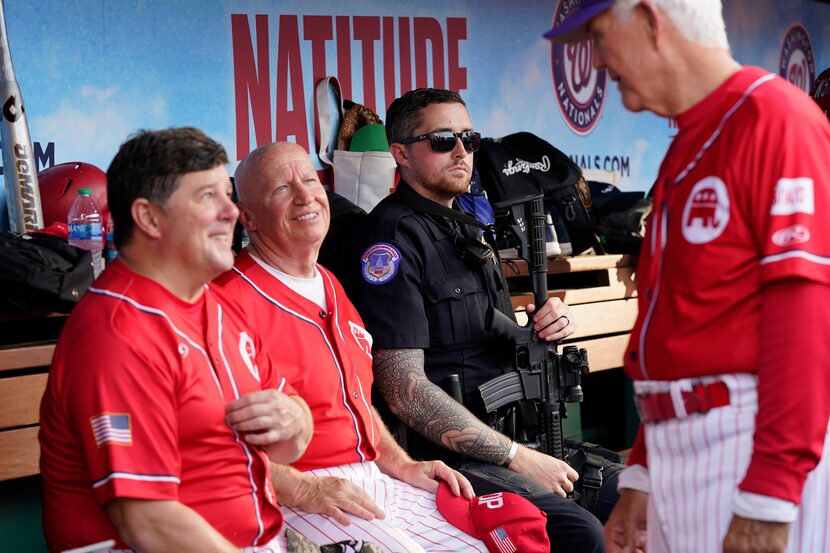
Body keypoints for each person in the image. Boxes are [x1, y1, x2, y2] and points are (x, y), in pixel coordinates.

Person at [544, 1, 830, 552]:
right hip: (678, 443)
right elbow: (677, 335)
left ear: (652, 20)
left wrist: (771, 495)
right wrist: (642, 478)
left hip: (748, 442)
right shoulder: (688, 143)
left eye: (602, 36)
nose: (598, 61)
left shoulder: (775, 116)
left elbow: (807, 327)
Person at [341, 88, 606, 553]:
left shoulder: (465, 226)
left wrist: (547, 322)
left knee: (639, 496)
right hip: (453, 461)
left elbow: (490, 332)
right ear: (400, 153)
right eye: (443, 139)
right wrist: (517, 457)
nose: (462, 150)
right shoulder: (391, 239)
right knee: (580, 533)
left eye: (470, 137)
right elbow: (402, 389)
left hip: (520, 437)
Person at [38, 127, 313, 553]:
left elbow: (293, 437)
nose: (232, 212)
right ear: (149, 218)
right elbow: (146, 522)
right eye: (208, 197)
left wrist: (295, 421)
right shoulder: (115, 332)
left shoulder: (218, 306)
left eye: (228, 194)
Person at [214, 141, 488, 552]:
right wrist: (304, 490)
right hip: (300, 494)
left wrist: (403, 464)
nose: (306, 196)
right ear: (248, 218)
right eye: (282, 189)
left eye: (310, 180)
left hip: (374, 479)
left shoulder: (328, 282)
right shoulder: (226, 304)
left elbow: (352, 400)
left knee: (498, 540)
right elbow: (212, 448)